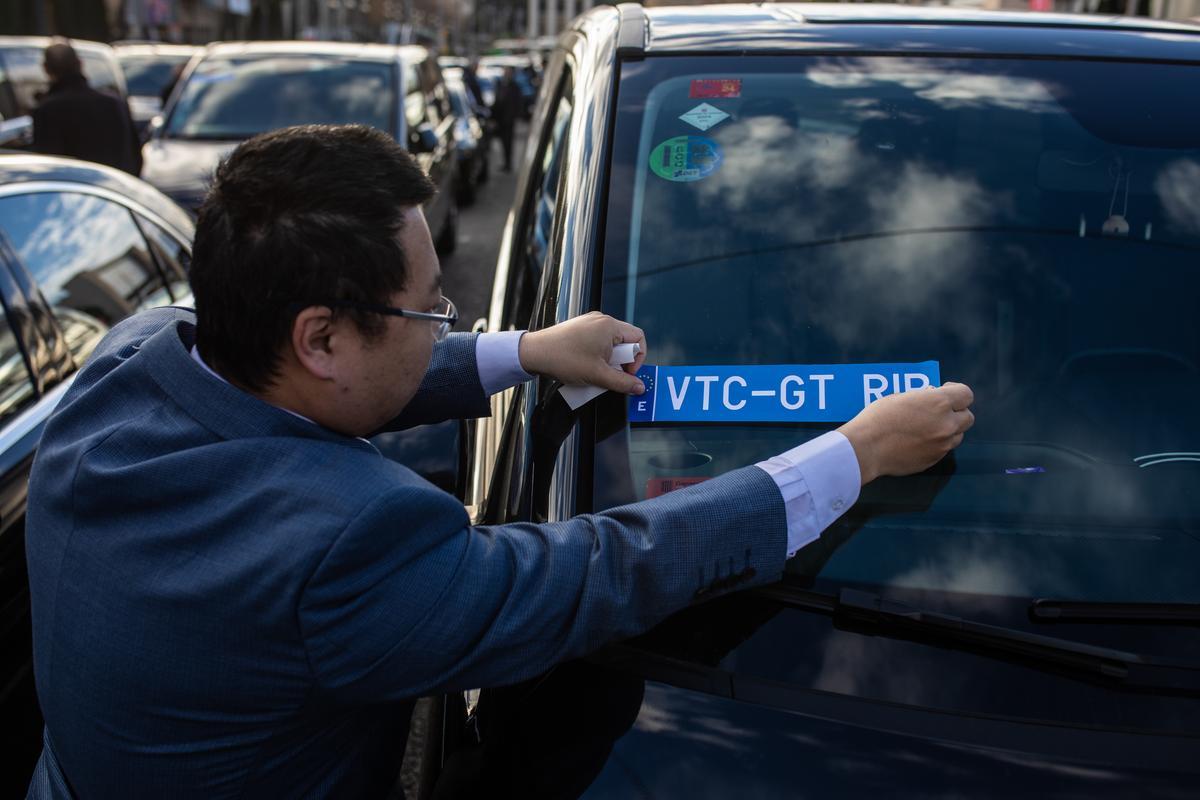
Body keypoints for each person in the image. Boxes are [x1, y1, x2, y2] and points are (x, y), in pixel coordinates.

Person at [23, 124, 974, 799]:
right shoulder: (346, 544)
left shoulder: (135, 357)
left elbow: (343, 375)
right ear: (319, 336)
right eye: (433, 310)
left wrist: (519, 351)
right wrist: (851, 454)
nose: (448, 319)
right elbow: (601, 567)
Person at [31, 41, 142, 176]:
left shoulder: (47, 110)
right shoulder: (114, 103)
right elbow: (136, 155)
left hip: (76, 190)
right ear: (80, 64)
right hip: (117, 188)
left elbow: (50, 166)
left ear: (46, 69)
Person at [491, 67, 523, 171]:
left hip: (509, 120)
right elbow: (497, 102)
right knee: (503, 143)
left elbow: (518, 103)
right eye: (505, 72)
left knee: (509, 143)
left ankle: (508, 164)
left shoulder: (515, 87)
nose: (506, 74)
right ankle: (506, 163)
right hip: (501, 120)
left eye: (508, 72)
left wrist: (515, 116)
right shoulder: (500, 85)